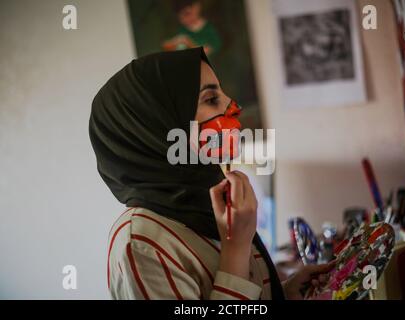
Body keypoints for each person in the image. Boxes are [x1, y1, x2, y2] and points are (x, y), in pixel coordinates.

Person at [89, 47, 333, 300]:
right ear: (156, 125)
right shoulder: (141, 244)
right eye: (210, 99)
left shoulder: (210, 204)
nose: (234, 106)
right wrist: (236, 249)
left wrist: (285, 293)